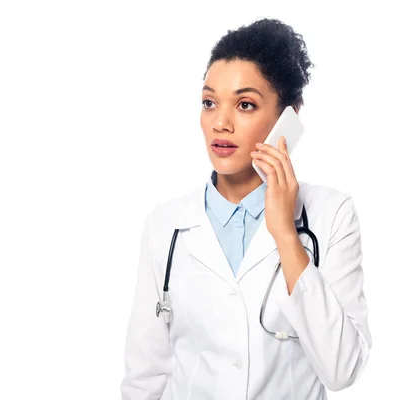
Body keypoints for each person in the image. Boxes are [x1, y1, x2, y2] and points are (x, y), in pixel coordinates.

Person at [120, 17, 372, 400]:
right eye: (209, 102)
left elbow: (341, 369)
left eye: (245, 104)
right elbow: (145, 377)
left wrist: (286, 235)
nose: (220, 123)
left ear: (290, 117)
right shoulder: (166, 226)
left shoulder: (331, 215)